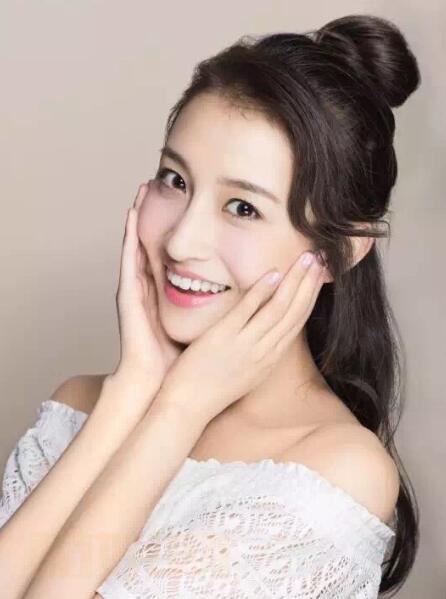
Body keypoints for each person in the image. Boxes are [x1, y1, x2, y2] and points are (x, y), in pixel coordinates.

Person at [0, 13, 420, 598]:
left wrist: (177, 411)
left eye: (243, 208)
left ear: (339, 252)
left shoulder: (334, 474)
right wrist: (130, 396)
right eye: (175, 180)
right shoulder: (79, 407)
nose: (181, 241)